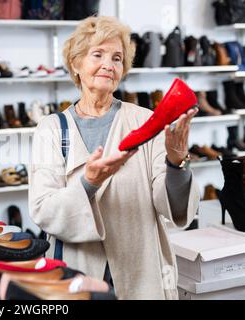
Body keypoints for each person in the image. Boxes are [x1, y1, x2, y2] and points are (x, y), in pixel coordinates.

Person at [29, 16, 200, 299]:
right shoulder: (51, 128)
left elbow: (171, 208)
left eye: (117, 58)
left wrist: (176, 162)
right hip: (78, 270)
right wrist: (89, 182)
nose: (109, 64)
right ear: (76, 64)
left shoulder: (145, 121)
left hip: (140, 267)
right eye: (98, 54)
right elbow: (43, 211)